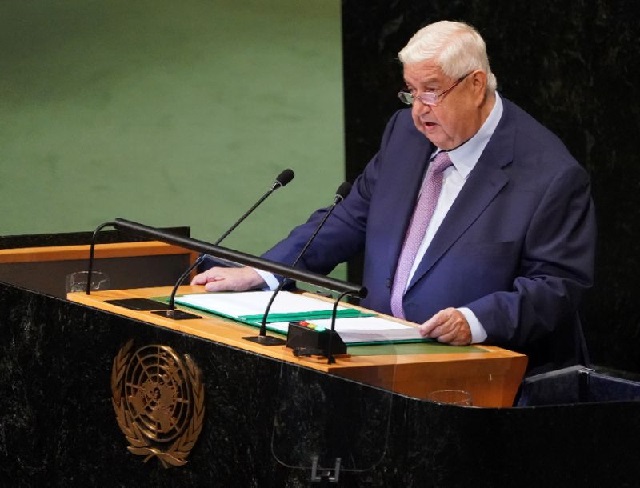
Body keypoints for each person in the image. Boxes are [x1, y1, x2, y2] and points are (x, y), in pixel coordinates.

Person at [193, 20, 596, 376]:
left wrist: (474, 320)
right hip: (380, 366)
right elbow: (349, 218)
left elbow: (557, 284)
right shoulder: (405, 133)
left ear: (476, 85)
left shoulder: (549, 174)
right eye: (411, 92)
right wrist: (265, 271)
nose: (419, 110)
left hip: (484, 381)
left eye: (432, 92)